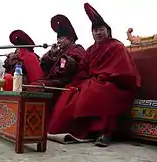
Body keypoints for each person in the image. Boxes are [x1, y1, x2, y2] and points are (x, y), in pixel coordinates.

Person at [47, 3, 141, 147]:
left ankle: (104, 132)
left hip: (116, 84)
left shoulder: (117, 47)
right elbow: (83, 70)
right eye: (95, 30)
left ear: (108, 32)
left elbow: (125, 73)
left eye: (101, 29)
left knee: (100, 90)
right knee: (70, 92)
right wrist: (76, 84)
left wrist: (105, 77)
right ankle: (76, 130)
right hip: (93, 82)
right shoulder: (90, 50)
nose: (98, 33)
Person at [32, 14, 85, 88]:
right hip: (55, 81)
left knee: (36, 86)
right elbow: (44, 67)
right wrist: (52, 54)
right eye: (58, 39)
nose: (58, 41)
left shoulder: (77, 49)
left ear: (70, 39)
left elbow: (65, 69)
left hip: (66, 82)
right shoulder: (59, 52)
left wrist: (62, 59)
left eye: (61, 38)